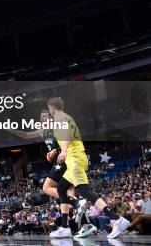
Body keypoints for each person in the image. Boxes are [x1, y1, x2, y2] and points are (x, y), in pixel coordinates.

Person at [47, 97, 130, 239]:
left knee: (84, 190)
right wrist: (56, 150)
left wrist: (64, 150)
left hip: (75, 159)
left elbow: (66, 133)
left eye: (49, 108)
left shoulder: (60, 116)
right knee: (61, 189)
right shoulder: (66, 117)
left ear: (52, 107)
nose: (49, 110)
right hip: (75, 159)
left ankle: (116, 219)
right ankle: (65, 228)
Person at [9, 111, 78, 207]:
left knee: (46, 188)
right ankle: (77, 205)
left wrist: (58, 150)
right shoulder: (42, 131)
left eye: (44, 116)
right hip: (60, 160)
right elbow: (26, 135)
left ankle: (72, 201)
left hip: (63, 159)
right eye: (40, 117)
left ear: (50, 118)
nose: (41, 118)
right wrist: (13, 130)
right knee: (69, 188)